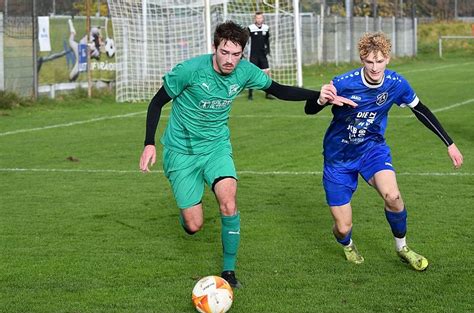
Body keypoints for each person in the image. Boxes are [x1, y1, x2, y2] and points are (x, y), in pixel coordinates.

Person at [139, 21, 355, 288]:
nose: (230, 60)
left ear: (243, 53)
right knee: (194, 225)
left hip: (216, 147)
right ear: (214, 48)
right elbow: (157, 101)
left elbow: (278, 90)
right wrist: (149, 143)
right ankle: (188, 216)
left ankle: (228, 271)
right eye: (224, 52)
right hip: (181, 152)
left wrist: (320, 96)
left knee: (228, 201)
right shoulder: (190, 70)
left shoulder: (245, 71)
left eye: (236, 54)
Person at [305, 32, 463, 271]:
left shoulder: (396, 84)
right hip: (339, 158)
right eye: (369, 61)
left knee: (393, 197)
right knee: (343, 227)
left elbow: (421, 110)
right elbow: (310, 109)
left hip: (372, 150)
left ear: (387, 58)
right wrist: (319, 100)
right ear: (362, 59)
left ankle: (402, 247)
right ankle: (347, 244)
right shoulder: (343, 83)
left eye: (380, 61)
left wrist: (449, 143)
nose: (375, 67)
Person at [247, 11, 273, 100]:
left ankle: (268, 94)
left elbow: (267, 41)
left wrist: (268, 50)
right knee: (251, 74)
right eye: (257, 18)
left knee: (267, 73)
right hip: (253, 55)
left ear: (263, 18)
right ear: (255, 19)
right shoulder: (250, 28)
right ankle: (250, 94)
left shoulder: (266, 28)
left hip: (263, 55)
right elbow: (246, 41)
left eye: (260, 18)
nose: (259, 19)